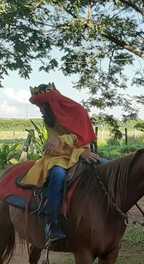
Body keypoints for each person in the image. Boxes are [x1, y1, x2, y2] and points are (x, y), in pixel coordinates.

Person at [21, 83, 98, 245]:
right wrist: (62, 142)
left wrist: (67, 144)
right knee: (57, 174)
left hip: (82, 152)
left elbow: (82, 139)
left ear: (52, 103)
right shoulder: (49, 119)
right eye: (39, 106)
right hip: (57, 158)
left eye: (42, 105)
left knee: (106, 168)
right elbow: (53, 146)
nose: (40, 109)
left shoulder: (77, 111)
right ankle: (52, 224)